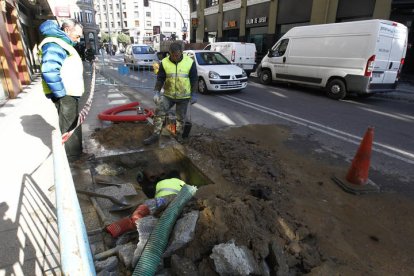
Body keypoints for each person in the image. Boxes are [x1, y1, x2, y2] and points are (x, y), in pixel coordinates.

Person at [39, 19, 86, 162]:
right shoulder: (55, 43)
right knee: (69, 125)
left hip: (69, 93)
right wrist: (61, 93)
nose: (78, 40)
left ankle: (76, 153)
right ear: (67, 30)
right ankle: (73, 157)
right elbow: (49, 70)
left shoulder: (62, 43)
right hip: (65, 93)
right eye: (77, 36)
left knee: (72, 123)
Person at [143, 42, 198, 145]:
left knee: (180, 118)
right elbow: (160, 78)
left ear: (181, 52)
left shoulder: (189, 62)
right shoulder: (164, 62)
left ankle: (178, 136)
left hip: (183, 96)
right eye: (172, 55)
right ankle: (155, 135)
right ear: (169, 53)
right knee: (159, 111)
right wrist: (157, 92)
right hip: (168, 95)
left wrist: (193, 94)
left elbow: (194, 79)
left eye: (176, 55)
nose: (174, 57)